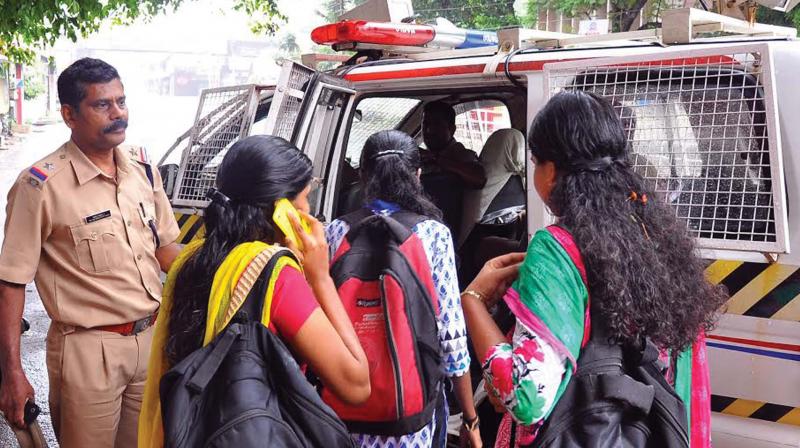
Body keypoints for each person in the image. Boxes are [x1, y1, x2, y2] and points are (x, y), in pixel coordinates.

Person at [461, 91, 727, 447]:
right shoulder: (659, 239)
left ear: (551, 171)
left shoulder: (556, 250)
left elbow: (527, 397)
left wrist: (474, 301)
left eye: (536, 161)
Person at [138, 135, 370, 447]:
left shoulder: (191, 259)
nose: (310, 211)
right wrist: (321, 278)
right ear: (283, 210)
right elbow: (356, 385)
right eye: (305, 198)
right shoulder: (277, 275)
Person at [0, 58, 181, 448]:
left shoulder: (144, 172)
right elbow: (11, 282)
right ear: (69, 114)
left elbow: (166, 249)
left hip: (148, 340)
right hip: (87, 351)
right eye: (102, 105)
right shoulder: (40, 186)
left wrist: (230, 262)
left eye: (121, 101)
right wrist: (11, 372)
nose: (118, 114)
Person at [326, 130, 481, 448]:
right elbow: (451, 339)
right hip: (411, 416)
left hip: (341, 406)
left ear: (363, 175)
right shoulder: (433, 234)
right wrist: (469, 417)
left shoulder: (334, 232)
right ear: (417, 174)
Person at [420, 101, 487, 241]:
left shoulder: (460, 154)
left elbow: (479, 178)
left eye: (437, 125)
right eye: (425, 124)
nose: (429, 131)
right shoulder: (421, 155)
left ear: (452, 129)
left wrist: (436, 159)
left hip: (441, 233)